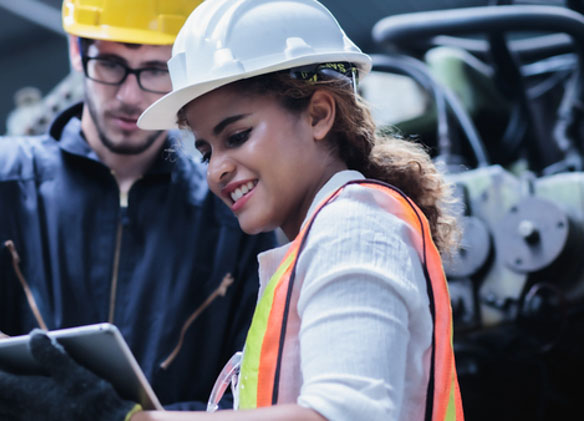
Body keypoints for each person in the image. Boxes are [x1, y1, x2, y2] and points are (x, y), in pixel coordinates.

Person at [0, 0, 277, 419]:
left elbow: (251, 383)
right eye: (111, 63)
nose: (130, 95)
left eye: (156, 70)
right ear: (77, 52)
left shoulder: (229, 213)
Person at [128, 0, 464, 419]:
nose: (216, 170)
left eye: (237, 136)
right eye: (205, 151)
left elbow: (343, 415)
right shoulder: (324, 237)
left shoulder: (354, 227)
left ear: (318, 115)